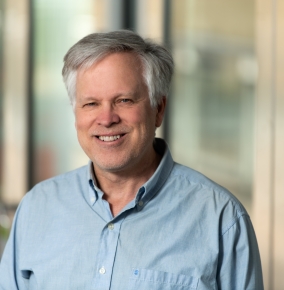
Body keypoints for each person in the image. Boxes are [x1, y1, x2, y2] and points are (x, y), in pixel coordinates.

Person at [0, 30, 263, 290]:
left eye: (124, 100)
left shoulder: (221, 218)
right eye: (91, 104)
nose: (106, 119)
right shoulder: (36, 209)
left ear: (158, 109)